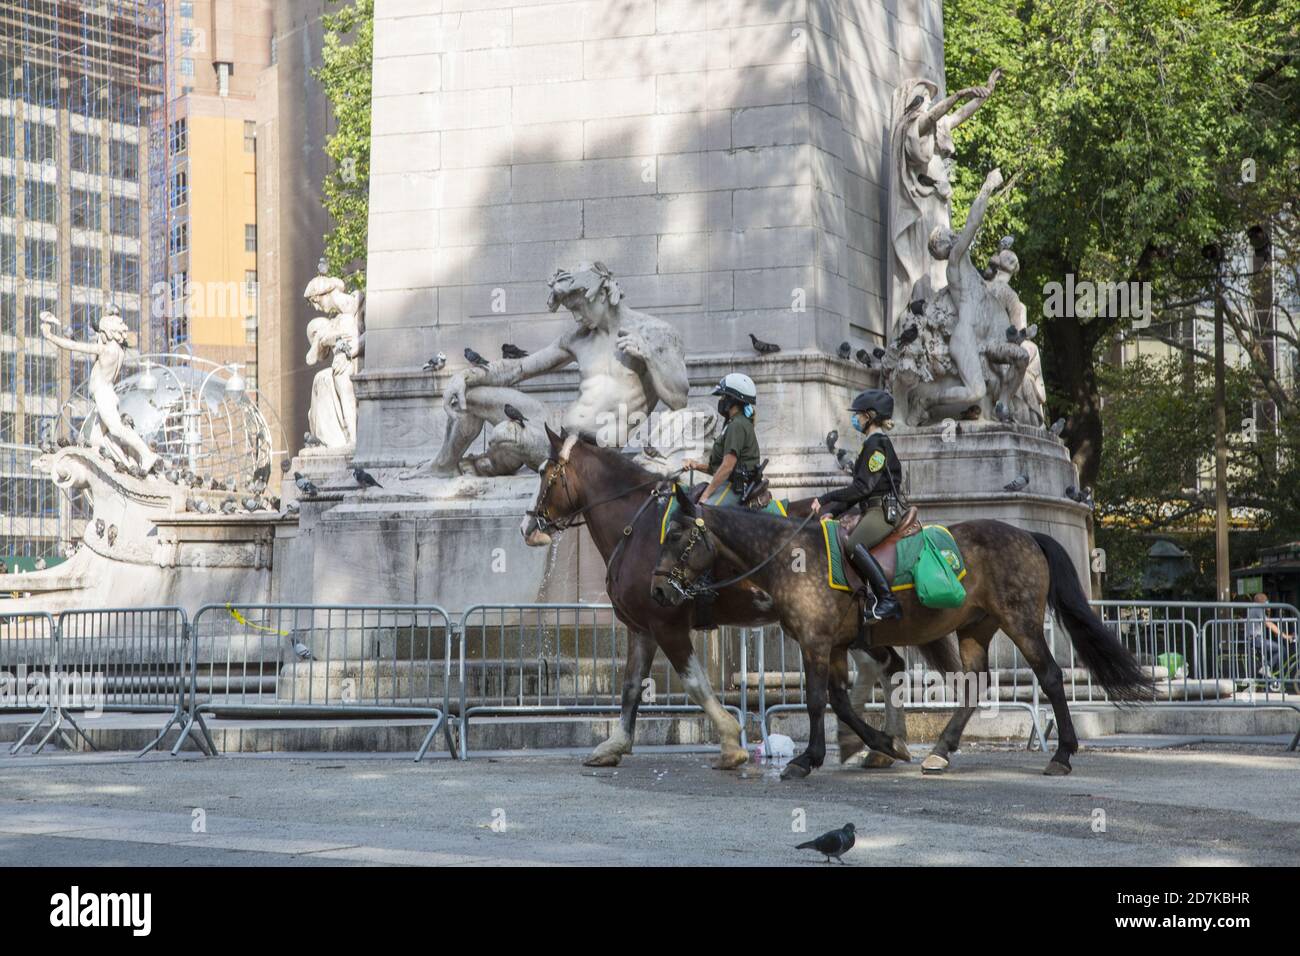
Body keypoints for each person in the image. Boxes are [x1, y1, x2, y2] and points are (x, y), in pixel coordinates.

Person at [810, 389, 904, 622]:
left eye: (859, 415)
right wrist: (833, 511)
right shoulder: (870, 444)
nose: (855, 419)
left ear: (870, 416)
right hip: (870, 507)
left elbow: (862, 488)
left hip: (881, 512)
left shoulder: (877, 445)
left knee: (854, 544)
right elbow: (858, 491)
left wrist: (824, 498)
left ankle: (887, 600)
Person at [683, 373, 761, 506]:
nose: (721, 400)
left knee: (702, 512)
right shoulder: (732, 423)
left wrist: (706, 495)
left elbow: (727, 467)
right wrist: (696, 465)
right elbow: (719, 467)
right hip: (729, 483)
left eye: (723, 396)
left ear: (732, 400)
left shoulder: (737, 425)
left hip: (736, 488)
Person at [1246, 592, 1291, 680]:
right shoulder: (1257, 609)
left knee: (1273, 651)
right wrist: (1285, 636)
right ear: (1263, 601)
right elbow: (1269, 624)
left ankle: (1265, 672)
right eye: (1267, 601)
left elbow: (1267, 621)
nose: (1268, 603)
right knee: (1281, 649)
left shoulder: (1254, 609)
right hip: (1256, 640)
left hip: (1254, 639)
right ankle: (1267, 668)